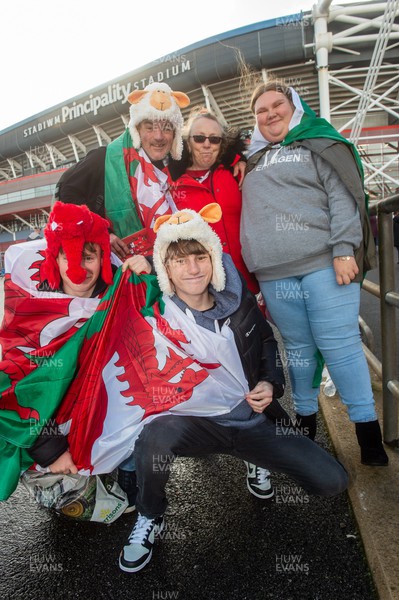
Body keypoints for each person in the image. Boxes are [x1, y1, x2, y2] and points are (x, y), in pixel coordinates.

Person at [118, 204, 348, 573]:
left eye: (200, 257)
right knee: (154, 438)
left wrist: (270, 383)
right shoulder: (155, 309)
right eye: (179, 262)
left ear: (213, 258)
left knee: (332, 482)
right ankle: (150, 515)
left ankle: (255, 460)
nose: (192, 269)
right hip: (193, 424)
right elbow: (99, 319)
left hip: (250, 419)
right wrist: (140, 260)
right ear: (166, 270)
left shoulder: (238, 302)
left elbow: (268, 342)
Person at [240, 80, 388, 466]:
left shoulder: (318, 143)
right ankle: (305, 423)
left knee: (340, 346)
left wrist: (343, 250)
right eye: (262, 110)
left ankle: (367, 432)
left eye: (278, 105)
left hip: (324, 263)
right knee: (299, 351)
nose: (270, 113)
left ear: (295, 107)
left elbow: (342, 197)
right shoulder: (253, 159)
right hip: (274, 274)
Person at [55, 82, 190, 259]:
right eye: (149, 127)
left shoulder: (174, 165)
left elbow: (211, 155)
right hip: (116, 269)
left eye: (166, 128)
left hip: (164, 265)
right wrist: (102, 232)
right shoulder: (105, 158)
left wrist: (238, 159)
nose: (159, 136)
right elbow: (66, 192)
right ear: (137, 129)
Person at [169, 109, 258, 294]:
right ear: (188, 142)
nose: (207, 144)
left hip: (252, 280)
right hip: (207, 289)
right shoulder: (170, 184)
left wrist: (241, 160)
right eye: (199, 138)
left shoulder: (237, 173)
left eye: (214, 139)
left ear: (222, 144)